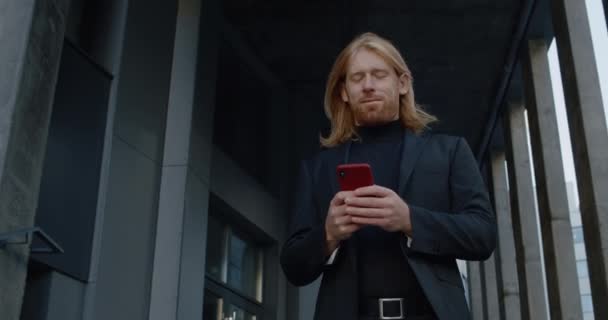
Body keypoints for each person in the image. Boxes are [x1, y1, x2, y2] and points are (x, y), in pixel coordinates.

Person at [280, 32, 496, 320]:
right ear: (344, 91)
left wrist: (409, 219)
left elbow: (483, 235)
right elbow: (293, 266)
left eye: (379, 75)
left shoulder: (450, 151)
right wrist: (328, 233)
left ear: (402, 83)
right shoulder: (318, 167)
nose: (368, 85)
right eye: (357, 78)